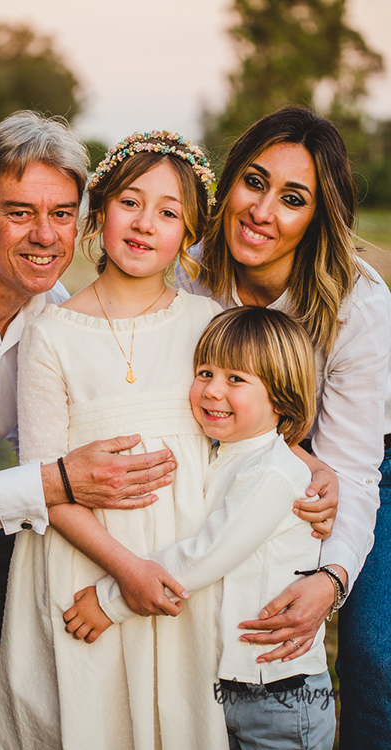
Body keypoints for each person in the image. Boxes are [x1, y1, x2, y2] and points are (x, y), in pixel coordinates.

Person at [0, 112, 186, 741]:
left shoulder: (53, 316)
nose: (45, 235)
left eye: (62, 213)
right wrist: (53, 481)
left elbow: (67, 452)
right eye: (20, 211)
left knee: (88, 605)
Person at [0, 130, 236, 749]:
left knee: (172, 714)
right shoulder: (51, 332)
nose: (145, 223)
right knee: (90, 715)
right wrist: (125, 570)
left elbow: (242, 438)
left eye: (169, 211)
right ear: (100, 212)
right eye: (131, 202)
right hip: (86, 559)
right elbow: (45, 481)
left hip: (181, 559)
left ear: (190, 233)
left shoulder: (208, 325)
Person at [175, 106, 391, 748]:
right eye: (254, 181)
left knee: (376, 657)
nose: (262, 211)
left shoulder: (359, 305)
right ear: (229, 182)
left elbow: (349, 468)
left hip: (367, 466)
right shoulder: (190, 272)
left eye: (292, 198)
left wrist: (329, 580)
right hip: (239, 458)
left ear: (318, 218)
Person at [66, 306, 336, 749]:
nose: (212, 391)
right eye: (205, 372)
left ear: (282, 396)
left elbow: (205, 556)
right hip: (223, 686)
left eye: (236, 379)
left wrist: (110, 600)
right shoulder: (221, 457)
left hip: (278, 694)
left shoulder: (273, 474)